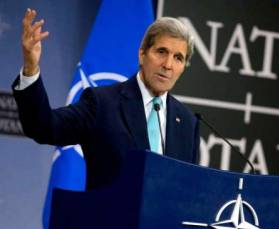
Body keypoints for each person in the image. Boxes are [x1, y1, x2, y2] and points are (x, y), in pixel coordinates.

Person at [13, 9, 200, 189]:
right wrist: (30, 68)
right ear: (142, 54)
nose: (168, 65)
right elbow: (44, 127)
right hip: (108, 218)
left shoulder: (187, 123)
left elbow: (189, 189)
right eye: (161, 52)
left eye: (178, 58)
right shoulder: (102, 103)